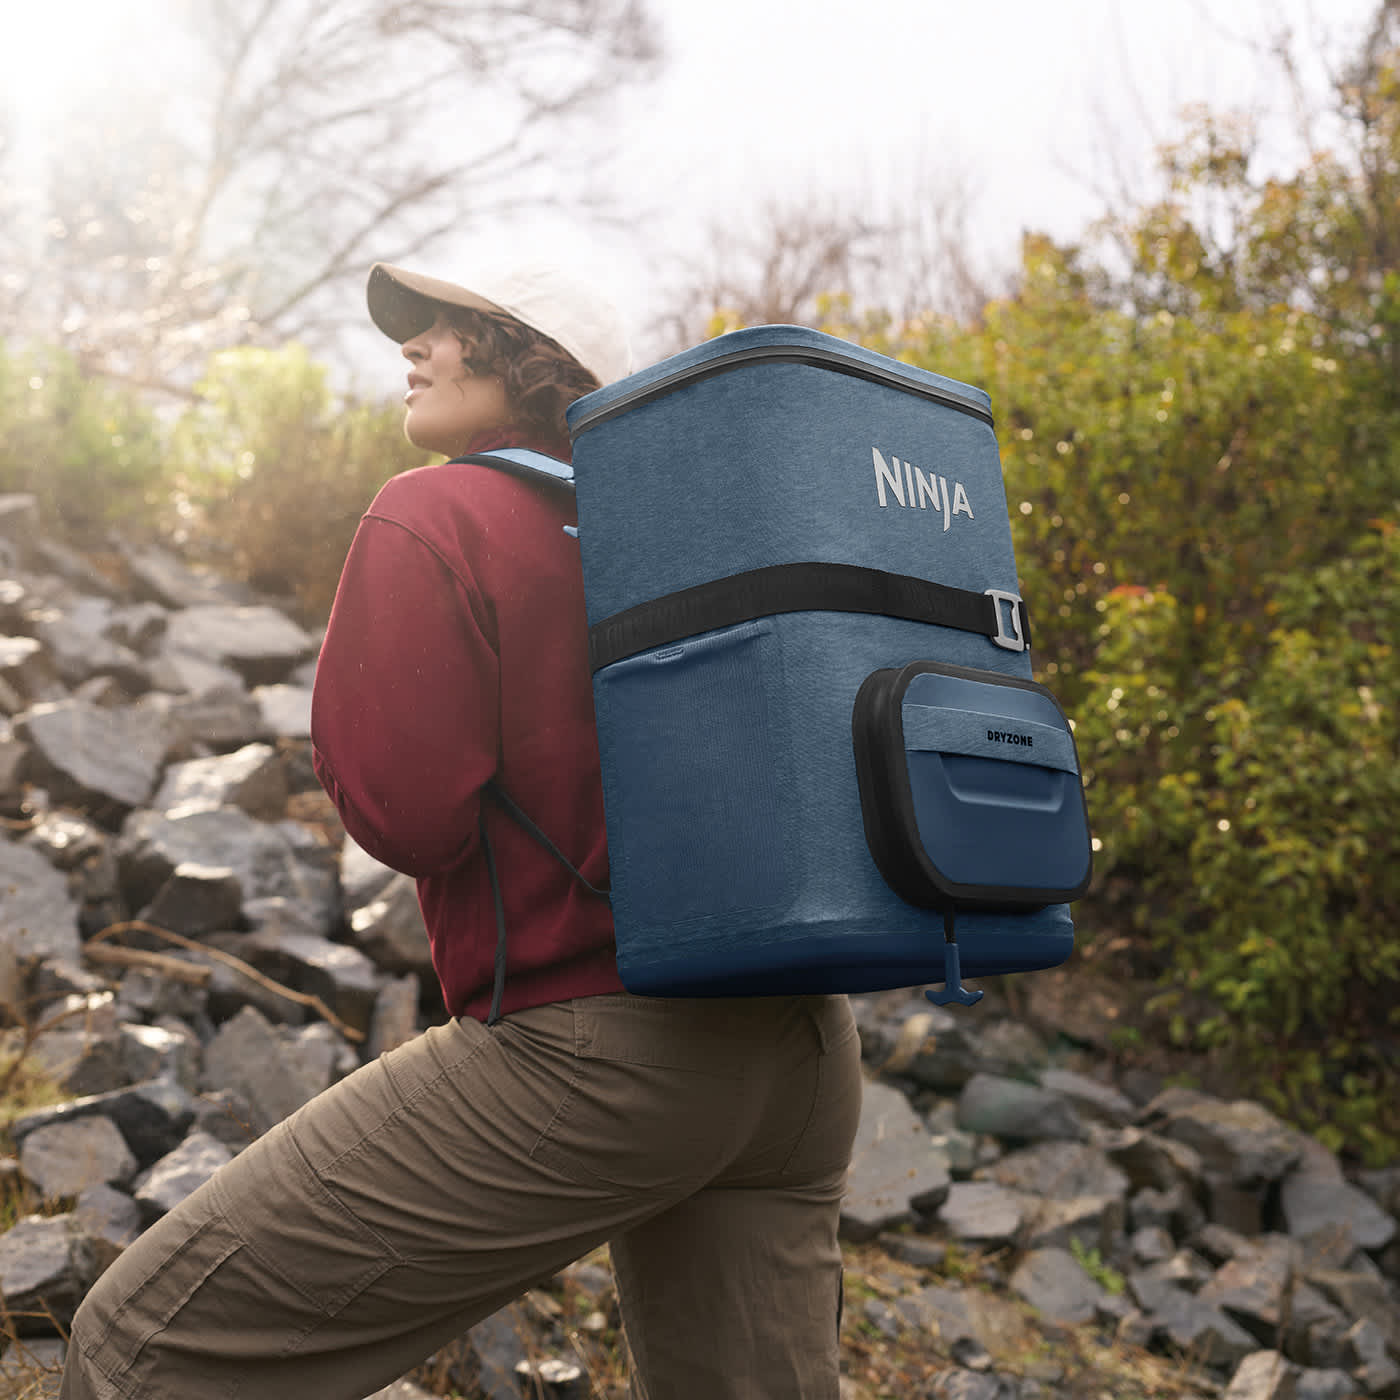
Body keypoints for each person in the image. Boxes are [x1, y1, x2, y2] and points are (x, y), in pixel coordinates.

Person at [59, 260, 864, 1400]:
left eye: (454, 325)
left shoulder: (434, 508)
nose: (414, 345)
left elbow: (408, 815)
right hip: (800, 1059)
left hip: (595, 1051)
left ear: (536, 360)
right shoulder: (694, 530)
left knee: (141, 1347)